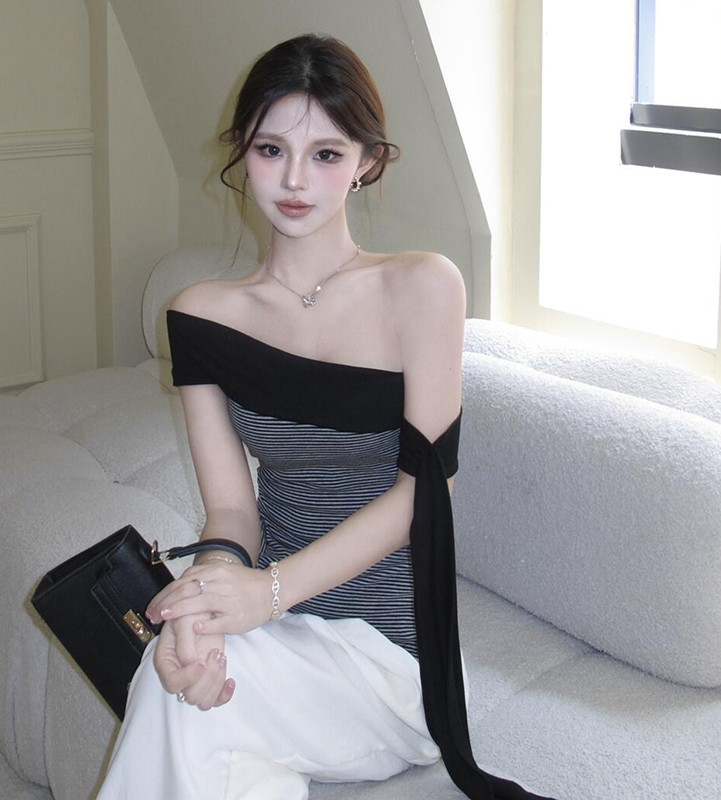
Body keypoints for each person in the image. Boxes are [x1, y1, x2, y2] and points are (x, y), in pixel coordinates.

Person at [95, 33, 559, 800]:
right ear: (242, 152)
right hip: (271, 628)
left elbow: (425, 492)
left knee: (176, 694)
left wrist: (268, 592)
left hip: (392, 655)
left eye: (326, 154)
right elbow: (232, 509)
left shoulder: (422, 287)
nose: (294, 180)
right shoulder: (200, 315)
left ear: (367, 161)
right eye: (271, 149)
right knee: (191, 694)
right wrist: (211, 594)